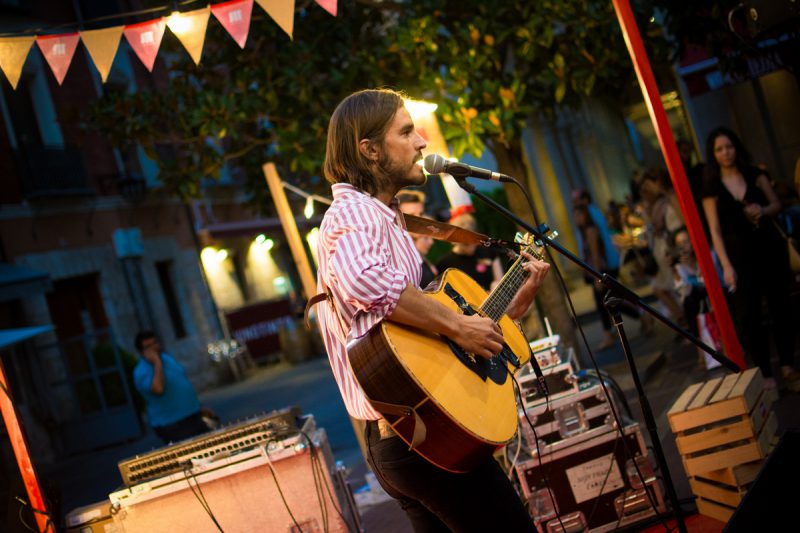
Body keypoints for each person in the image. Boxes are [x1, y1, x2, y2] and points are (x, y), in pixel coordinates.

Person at [316, 88, 549, 532]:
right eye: (406, 132)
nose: (422, 142)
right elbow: (365, 281)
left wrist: (504, 313)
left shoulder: (384, 217)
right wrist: (459, 326)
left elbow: (424, 340)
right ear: (370, 150)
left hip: (412, 432)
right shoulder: (355, 215)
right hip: (418, 437)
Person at [701, 127, 798, 390]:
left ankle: (788, 365)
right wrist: (726, 265)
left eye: (729, 147)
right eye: (719, 149)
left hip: (769, 247)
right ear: (713, 153)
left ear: (737, 147)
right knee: (750, 316)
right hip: (739, 256)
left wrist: (762, 209)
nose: (726, 153)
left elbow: (777, 204)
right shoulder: (711, 188)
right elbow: (714, 230)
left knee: (781, 307)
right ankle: (765, 372)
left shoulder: (754, 174)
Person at [573, 205, 652, 349]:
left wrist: (597, 276)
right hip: (599, 271)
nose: (576, 219)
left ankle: (640, 316)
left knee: (608, 302)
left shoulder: (590, 230)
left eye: (578, 215)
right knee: (608, 302)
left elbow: (595, 254)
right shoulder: (586, 231)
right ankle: (640, 317)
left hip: (600, 271)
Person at [133, 331, 216, 443]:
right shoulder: (141, 371)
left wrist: (198, 407)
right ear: (141, 352)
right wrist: (157, 362)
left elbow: (182, 384)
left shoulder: (166, 358)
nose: (154, 348)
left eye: (155, 343)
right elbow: (158, 389)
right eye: (148, 346)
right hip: (172, 425)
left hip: (194, 416)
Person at [435, 212, 503, 291]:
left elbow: (500, 280)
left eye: (474, 242)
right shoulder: (445, 264)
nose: (471, 248)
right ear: (454, 241)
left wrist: (496, 286)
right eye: (465, 244)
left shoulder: (488, 250)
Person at [397, 191, 440, 288]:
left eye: (420, 214)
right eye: (411, 216)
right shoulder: (397, 256)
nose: (418, 220)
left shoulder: (416, 252)